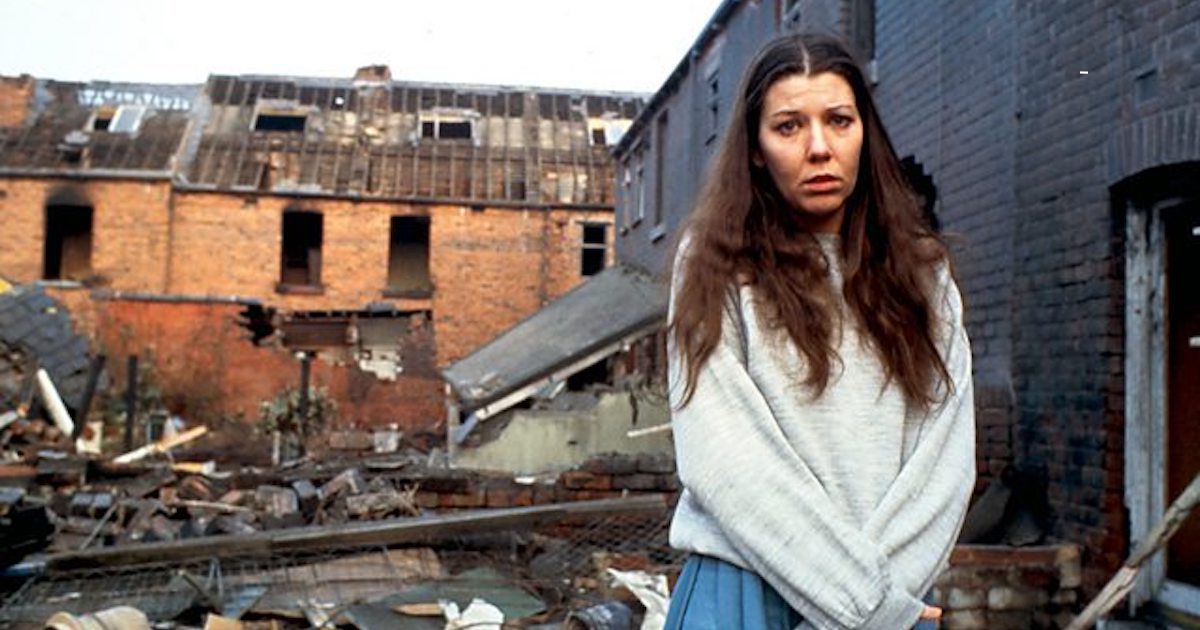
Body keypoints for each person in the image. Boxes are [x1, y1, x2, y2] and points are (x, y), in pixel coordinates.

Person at [663, 33, 976, 629]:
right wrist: (864, 609)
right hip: (746, 595)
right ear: (756, 149)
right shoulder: (714, 265)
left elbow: (946, 463)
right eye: (788, 127)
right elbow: (722, 458)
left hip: (891, 593)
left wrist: (871, 609)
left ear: (865, 132)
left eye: (838, 121)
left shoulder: (924, 273)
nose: (818, 148)